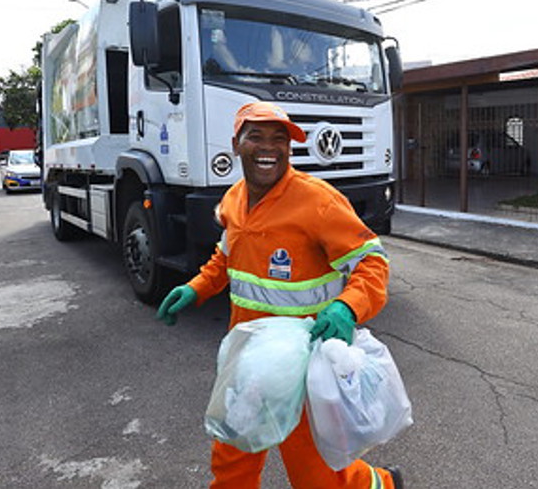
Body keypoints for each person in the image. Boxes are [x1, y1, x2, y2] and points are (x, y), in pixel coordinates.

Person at [157, 101, 403, 489]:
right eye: (256, 136)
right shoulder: (233, 200)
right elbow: (226, 256)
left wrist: (346, 307)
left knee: (316, 477)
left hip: (301, 366)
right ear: (236, 144)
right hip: (244, 362)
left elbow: (372, 262)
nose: (269, 147)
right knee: (231, 459)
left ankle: (380, 484)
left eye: (280, 139)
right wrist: (197, 287)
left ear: (289, 149)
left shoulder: (318, 201)